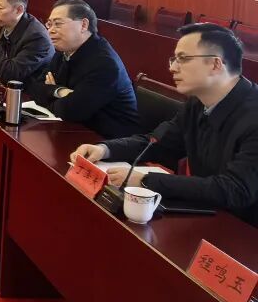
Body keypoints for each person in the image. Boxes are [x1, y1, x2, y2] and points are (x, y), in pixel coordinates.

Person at [71, 23, 258, 225]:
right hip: (209, 214)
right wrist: (105, 149)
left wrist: (145, 180)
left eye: (183, 59)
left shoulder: (252, 115)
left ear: (215, 64)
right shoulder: (197, 102)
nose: (172, 67)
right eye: (174, 59)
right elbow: (157, 142)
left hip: (244, 231)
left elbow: (235, 189)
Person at [26, 0, 140, 138]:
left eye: (58, 24)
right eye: (49, 24)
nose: (50, 30)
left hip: (108, 140)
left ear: (84, 25)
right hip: (75, 129)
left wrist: (50, 93)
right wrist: (60, 91)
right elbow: (35, 88)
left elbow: (70, 111)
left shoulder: (105, 64)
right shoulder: (64, 51)